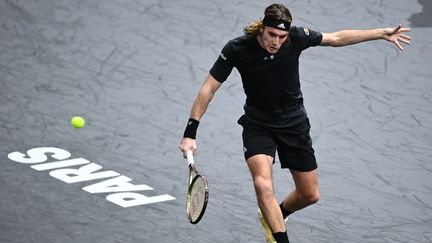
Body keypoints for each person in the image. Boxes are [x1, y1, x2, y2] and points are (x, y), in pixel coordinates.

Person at [179, 3, 411, 243]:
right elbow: (209, 88)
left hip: (294, 124)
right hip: (258, 125)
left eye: (282, 36)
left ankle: (276, 214)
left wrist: (380, 33)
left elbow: (336, 38)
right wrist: (190, 132)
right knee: (262, 183)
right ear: (262, 27)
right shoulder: (237, 48)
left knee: (309, 195)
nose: (276, 42)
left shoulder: (297, 38)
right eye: (272, 34)